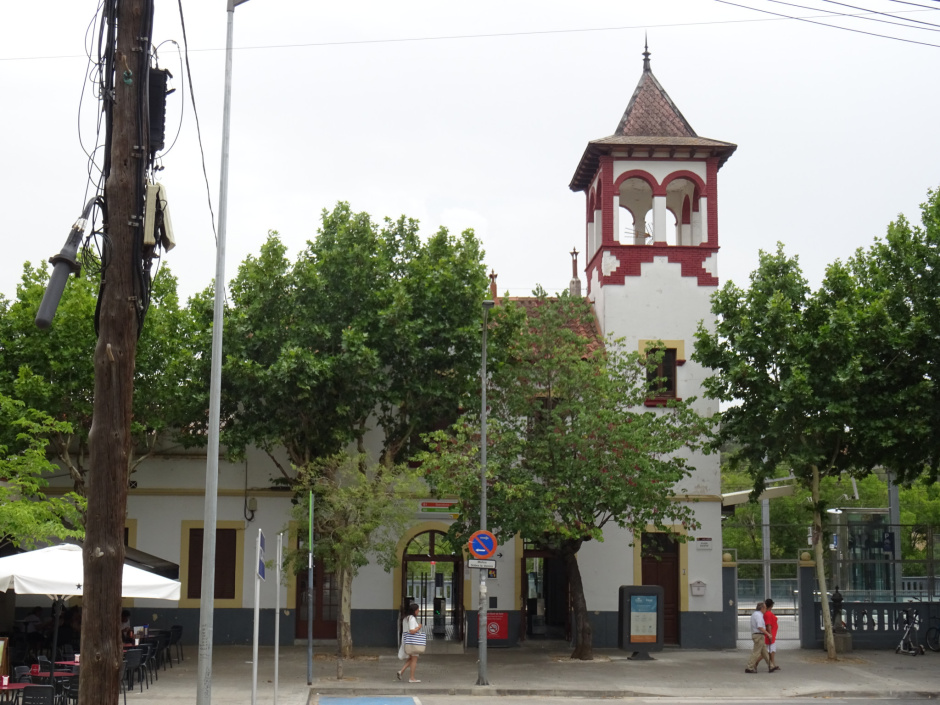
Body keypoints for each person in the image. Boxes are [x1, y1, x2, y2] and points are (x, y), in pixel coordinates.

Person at [396, 602, 423, 683]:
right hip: (412, 642)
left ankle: (401, 671)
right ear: (414, 610)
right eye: (418, 610)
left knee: (411, 658)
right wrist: (418, 627)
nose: (418, 611)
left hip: (407, 641)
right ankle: (412, 678)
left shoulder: (406, 618)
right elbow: (412, 631)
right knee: (414, 659)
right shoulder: (412, 619)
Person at [745, 601, 772, 673]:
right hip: (759, 635)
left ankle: (771, 665)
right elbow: (760, 627)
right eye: (765, 608)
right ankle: (749, 667)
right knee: (756, 652)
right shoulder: (759, 615)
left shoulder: (755, 614)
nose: (766, 610)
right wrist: (768, 634)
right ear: (762, 608)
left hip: (758, 635)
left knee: (764, 652)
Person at [762, 598, 780, 672]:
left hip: (771, 634)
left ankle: (773, 664)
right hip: (770, 634)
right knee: (768, 651)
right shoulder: (768, 614)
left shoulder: (766, 613)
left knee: (771, 650)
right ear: (771, 605)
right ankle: (755, 663)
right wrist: (770, 634)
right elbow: (768, 625)